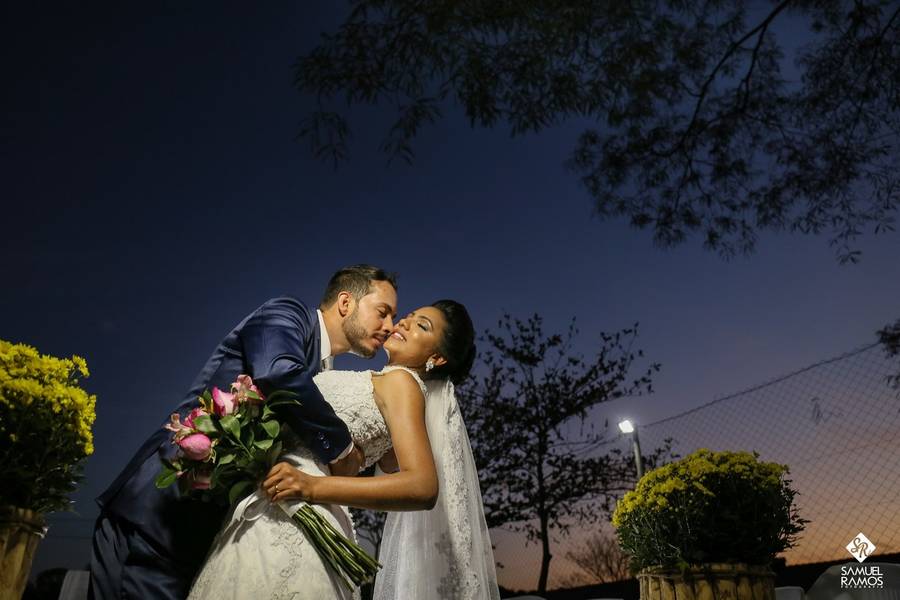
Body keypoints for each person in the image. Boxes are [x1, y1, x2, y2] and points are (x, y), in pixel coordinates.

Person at [89, 265, 399, 600]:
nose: (390, 327)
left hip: (207, 536)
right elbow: (277, 372)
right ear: (345, 303)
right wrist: (341, 449)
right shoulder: (287, 313)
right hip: (160, 514)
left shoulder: (326, 373)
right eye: (383, 312)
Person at [188, 300, 500, 600]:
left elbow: (422, 486)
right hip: (277, 500)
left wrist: (312, 486)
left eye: (422, 325)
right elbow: (377, 464)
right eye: (411, 315)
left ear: (438, 358)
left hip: (299, 502)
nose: (403, 321)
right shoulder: (389, 386)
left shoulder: (403, 383)